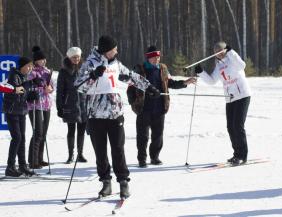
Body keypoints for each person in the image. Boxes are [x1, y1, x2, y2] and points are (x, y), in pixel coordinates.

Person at [74, 35, 160, 199]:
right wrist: (92, 76)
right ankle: (106, 182)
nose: (117, 51)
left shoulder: (116, 64)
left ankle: (123, 182)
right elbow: (78, 86)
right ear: (107, 51)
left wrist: (149, 87)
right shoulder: (91, 63)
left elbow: (132, 76)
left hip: (115, 113)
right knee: (100, 151)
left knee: (118, 149)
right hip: (95, 115)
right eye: (114, 49)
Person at [127, 46, 196, 168]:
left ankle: (155, 157)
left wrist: (185, 82)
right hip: (144, 108)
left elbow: (170, 83)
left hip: (159, 108)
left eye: (158, 57)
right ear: (148, 58)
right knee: (143, 136)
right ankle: (142, 159)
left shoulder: (163, 69)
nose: (156, 60)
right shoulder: (140, 70)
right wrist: (133, 103)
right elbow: (130, 89)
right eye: (154, 58)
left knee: (158, 135)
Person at [194, 41, 251, 166]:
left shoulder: (232, 60)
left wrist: (231, 52)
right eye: (215, 52)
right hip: (230, 98)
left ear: (225, 50)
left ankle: (242, 156)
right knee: (230, 127)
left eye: (220, 51)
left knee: (238, 126)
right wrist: (201, 72)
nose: (218, 54)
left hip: (242, 95)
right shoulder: (219, 65)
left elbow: (242, 65)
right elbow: (212, 81)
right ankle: (236, 154)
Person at [2, 56, 42, 177]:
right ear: (22, 66)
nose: (30, 68)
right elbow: (17, 92)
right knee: (17, 138)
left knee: (22, 138)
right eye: (28, 66)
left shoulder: (24, 77)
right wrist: (29, 84)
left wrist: (32, 95)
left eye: (31, 66)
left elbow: (23, 95)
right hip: (12, 110)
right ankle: (10, 166)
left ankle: (23, 165)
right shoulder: (14, 76)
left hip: (21, 111)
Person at [56, 47, 88, 164]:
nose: (77, 59)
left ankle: (80, 154)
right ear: (69, 58)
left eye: (78, 57)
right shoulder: (64, 72)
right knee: (71, 130)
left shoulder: (84, 70)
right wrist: (59, 107)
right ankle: (71, 155)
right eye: (74, 57)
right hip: (70, 105)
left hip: (83, 104)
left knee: (81, 130)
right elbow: (60, 91)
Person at [27, 46, 54, 169]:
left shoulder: (47, 72)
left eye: (44, 59)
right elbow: (27, 85)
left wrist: (50, 89)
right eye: (40, 59)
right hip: (35, 105)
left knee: (43, 132)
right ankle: (32, 160)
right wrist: (35, 84)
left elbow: (52, 87)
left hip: (46, 104)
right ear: (35, 61)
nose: (43, 61)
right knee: (37, 132)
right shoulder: (32, 72)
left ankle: (40, 158)